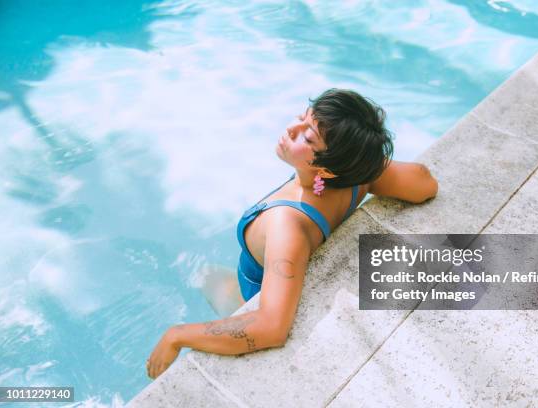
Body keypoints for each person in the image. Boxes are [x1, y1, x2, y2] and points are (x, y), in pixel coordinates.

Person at [146, 88, 438, 379]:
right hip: (280, 259)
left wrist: (178, 335)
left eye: (308, 137)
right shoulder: (355, 179)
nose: (292, 129)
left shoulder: (287, 226)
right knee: (208, 275)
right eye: (302, 118)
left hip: (258, 289)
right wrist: (367, 164)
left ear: (327, 169)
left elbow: (271, 327)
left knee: (206, 277)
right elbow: (426, 184)